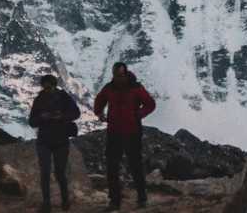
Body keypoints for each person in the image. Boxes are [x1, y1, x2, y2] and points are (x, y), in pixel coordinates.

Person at [93, 63, 154, 210]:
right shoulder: (109, 88)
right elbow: (99, 101)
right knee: (112, 167)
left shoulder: (136, 88)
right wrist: (99, 113)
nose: (117, 78)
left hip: (132, 131)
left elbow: (150, 104)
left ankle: (141, 198)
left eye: (120, 75)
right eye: (115, 75)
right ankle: (114, 201)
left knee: (135, 165)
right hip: (114, 132)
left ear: (126, 74)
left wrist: (138, 114)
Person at [28, 74, 81, 212]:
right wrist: (42, 117)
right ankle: (47, 204)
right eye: (45, 87)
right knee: (45, 172)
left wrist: (62, 116)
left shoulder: (64, 97)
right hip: (44, 141)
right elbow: (32, 122)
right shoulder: (39, 100)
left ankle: (65, 201)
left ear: (54, 85)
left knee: (59, 172)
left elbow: (76, 113)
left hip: (60, 140)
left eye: (49, 87)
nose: (47, 89)